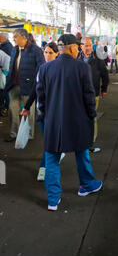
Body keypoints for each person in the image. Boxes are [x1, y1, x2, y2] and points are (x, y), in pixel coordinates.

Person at [36, 34, 102, 212]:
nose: (79, 49)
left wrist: (45, 115)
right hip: (77, 121)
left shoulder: (45, 68)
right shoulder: (82, 68)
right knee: (82, 153)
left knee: (51, 159)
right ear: (72, 47)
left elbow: (40, 98)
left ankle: (53, 199)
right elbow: (89, 96)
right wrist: (91, 115)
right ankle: (86, 185)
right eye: (78, 47)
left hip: (53, 122)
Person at [20, 42, 60, 182]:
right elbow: (35, 90)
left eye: (50, 52)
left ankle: (44, 167)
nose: (47, 55)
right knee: (48, 140)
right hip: (42, 111)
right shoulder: (41, 69)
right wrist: (27, 106)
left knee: (50, 141)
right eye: (46, 52)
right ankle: (48, 163)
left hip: (56, 112)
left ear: (57, 54)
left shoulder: (60, 70)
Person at [4, 28, 44, 143]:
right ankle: (14, 133)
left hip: (29, 87)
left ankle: (29, 134)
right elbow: (12, 67)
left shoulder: (35, 50)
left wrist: (36, 84)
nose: (13, 39)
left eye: (15, 36)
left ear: (23, 37)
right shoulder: (14, 49)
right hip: (14, 85)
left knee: (29, 112)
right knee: (12, 110)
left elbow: (41, 67)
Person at [78, 37, 109, 152]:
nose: (88, 48)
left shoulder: (98, 58)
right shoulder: (77, 58)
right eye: (86, 46)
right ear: (81, 46)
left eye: (90, 45)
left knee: (91, 116)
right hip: (78, 93)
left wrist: (104, 88)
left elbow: (105, 75)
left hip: (93, 92)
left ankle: (91, 141)